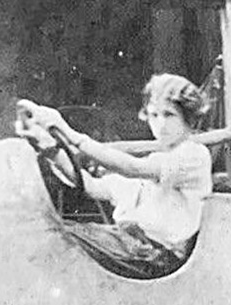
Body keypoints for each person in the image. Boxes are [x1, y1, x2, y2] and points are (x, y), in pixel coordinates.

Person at [15, 73, 213, 278]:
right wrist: (51, 149)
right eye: (154, 115)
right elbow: (92, 187)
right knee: (52, 231)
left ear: (189, 118)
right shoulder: (154, 165)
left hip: (158, 256)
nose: (160, 124)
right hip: (132, 245)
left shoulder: (193, 156)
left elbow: (134, 168)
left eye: (169, 115)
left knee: (61, 238)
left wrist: (69, 133)